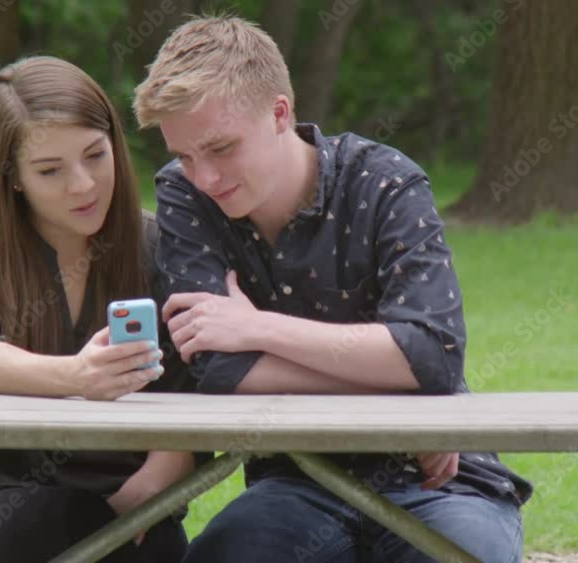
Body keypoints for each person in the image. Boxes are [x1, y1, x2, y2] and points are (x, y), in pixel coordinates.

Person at [133, 16, 533, 563]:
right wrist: (406, 399)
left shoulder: (387, 181)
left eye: (221, 148)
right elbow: (219, 372)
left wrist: (257, 328)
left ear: (280, 114)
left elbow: (433, 354)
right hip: (298, 481)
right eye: (184, 155)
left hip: (440, 478)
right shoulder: (184, 194)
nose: (203, 177)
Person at [0, 56, 199, 563]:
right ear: (11, 176)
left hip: (132, 497)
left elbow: (190, 392)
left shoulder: (157, 243)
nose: (83, 185)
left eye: (95, 155)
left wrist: (143, 497)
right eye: (50, 170)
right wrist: (75, 376)